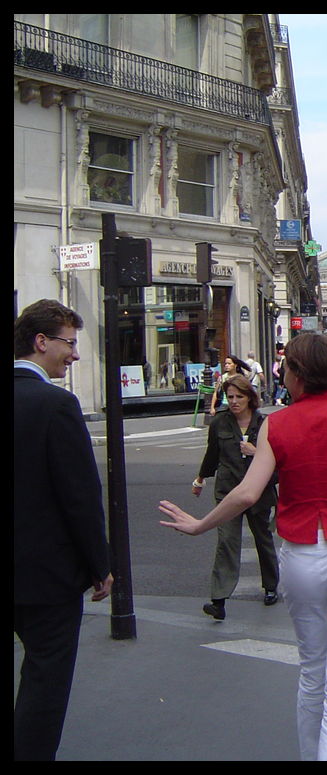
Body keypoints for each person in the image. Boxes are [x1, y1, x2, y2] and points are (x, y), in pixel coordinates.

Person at [159, 333, 327, 761]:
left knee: (312, 672)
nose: (282, 374)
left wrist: (201, 525)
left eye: (287, 366)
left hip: (301, 555)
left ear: (299, 374)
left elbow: (246, 493)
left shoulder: (276, 423)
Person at [14, 299, 113, 761]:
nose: (74, 355)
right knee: (44, 681)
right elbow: (79, 496)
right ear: (41, 342)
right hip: (44, 577)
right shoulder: (55, 404)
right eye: (69, 344)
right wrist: (100, 565)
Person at [192, 374, 280, 620]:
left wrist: (257, 452)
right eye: (230, 397)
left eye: (239, 396)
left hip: (258, 492)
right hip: (228, 491)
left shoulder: (265, 424)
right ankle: (218, 600)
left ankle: (271, 586)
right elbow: (212, 455)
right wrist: (200, 478)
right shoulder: (220, 423)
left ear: (250, 398)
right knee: (227, 542)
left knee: (263, 538)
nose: (233, 401)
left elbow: (279, 462)